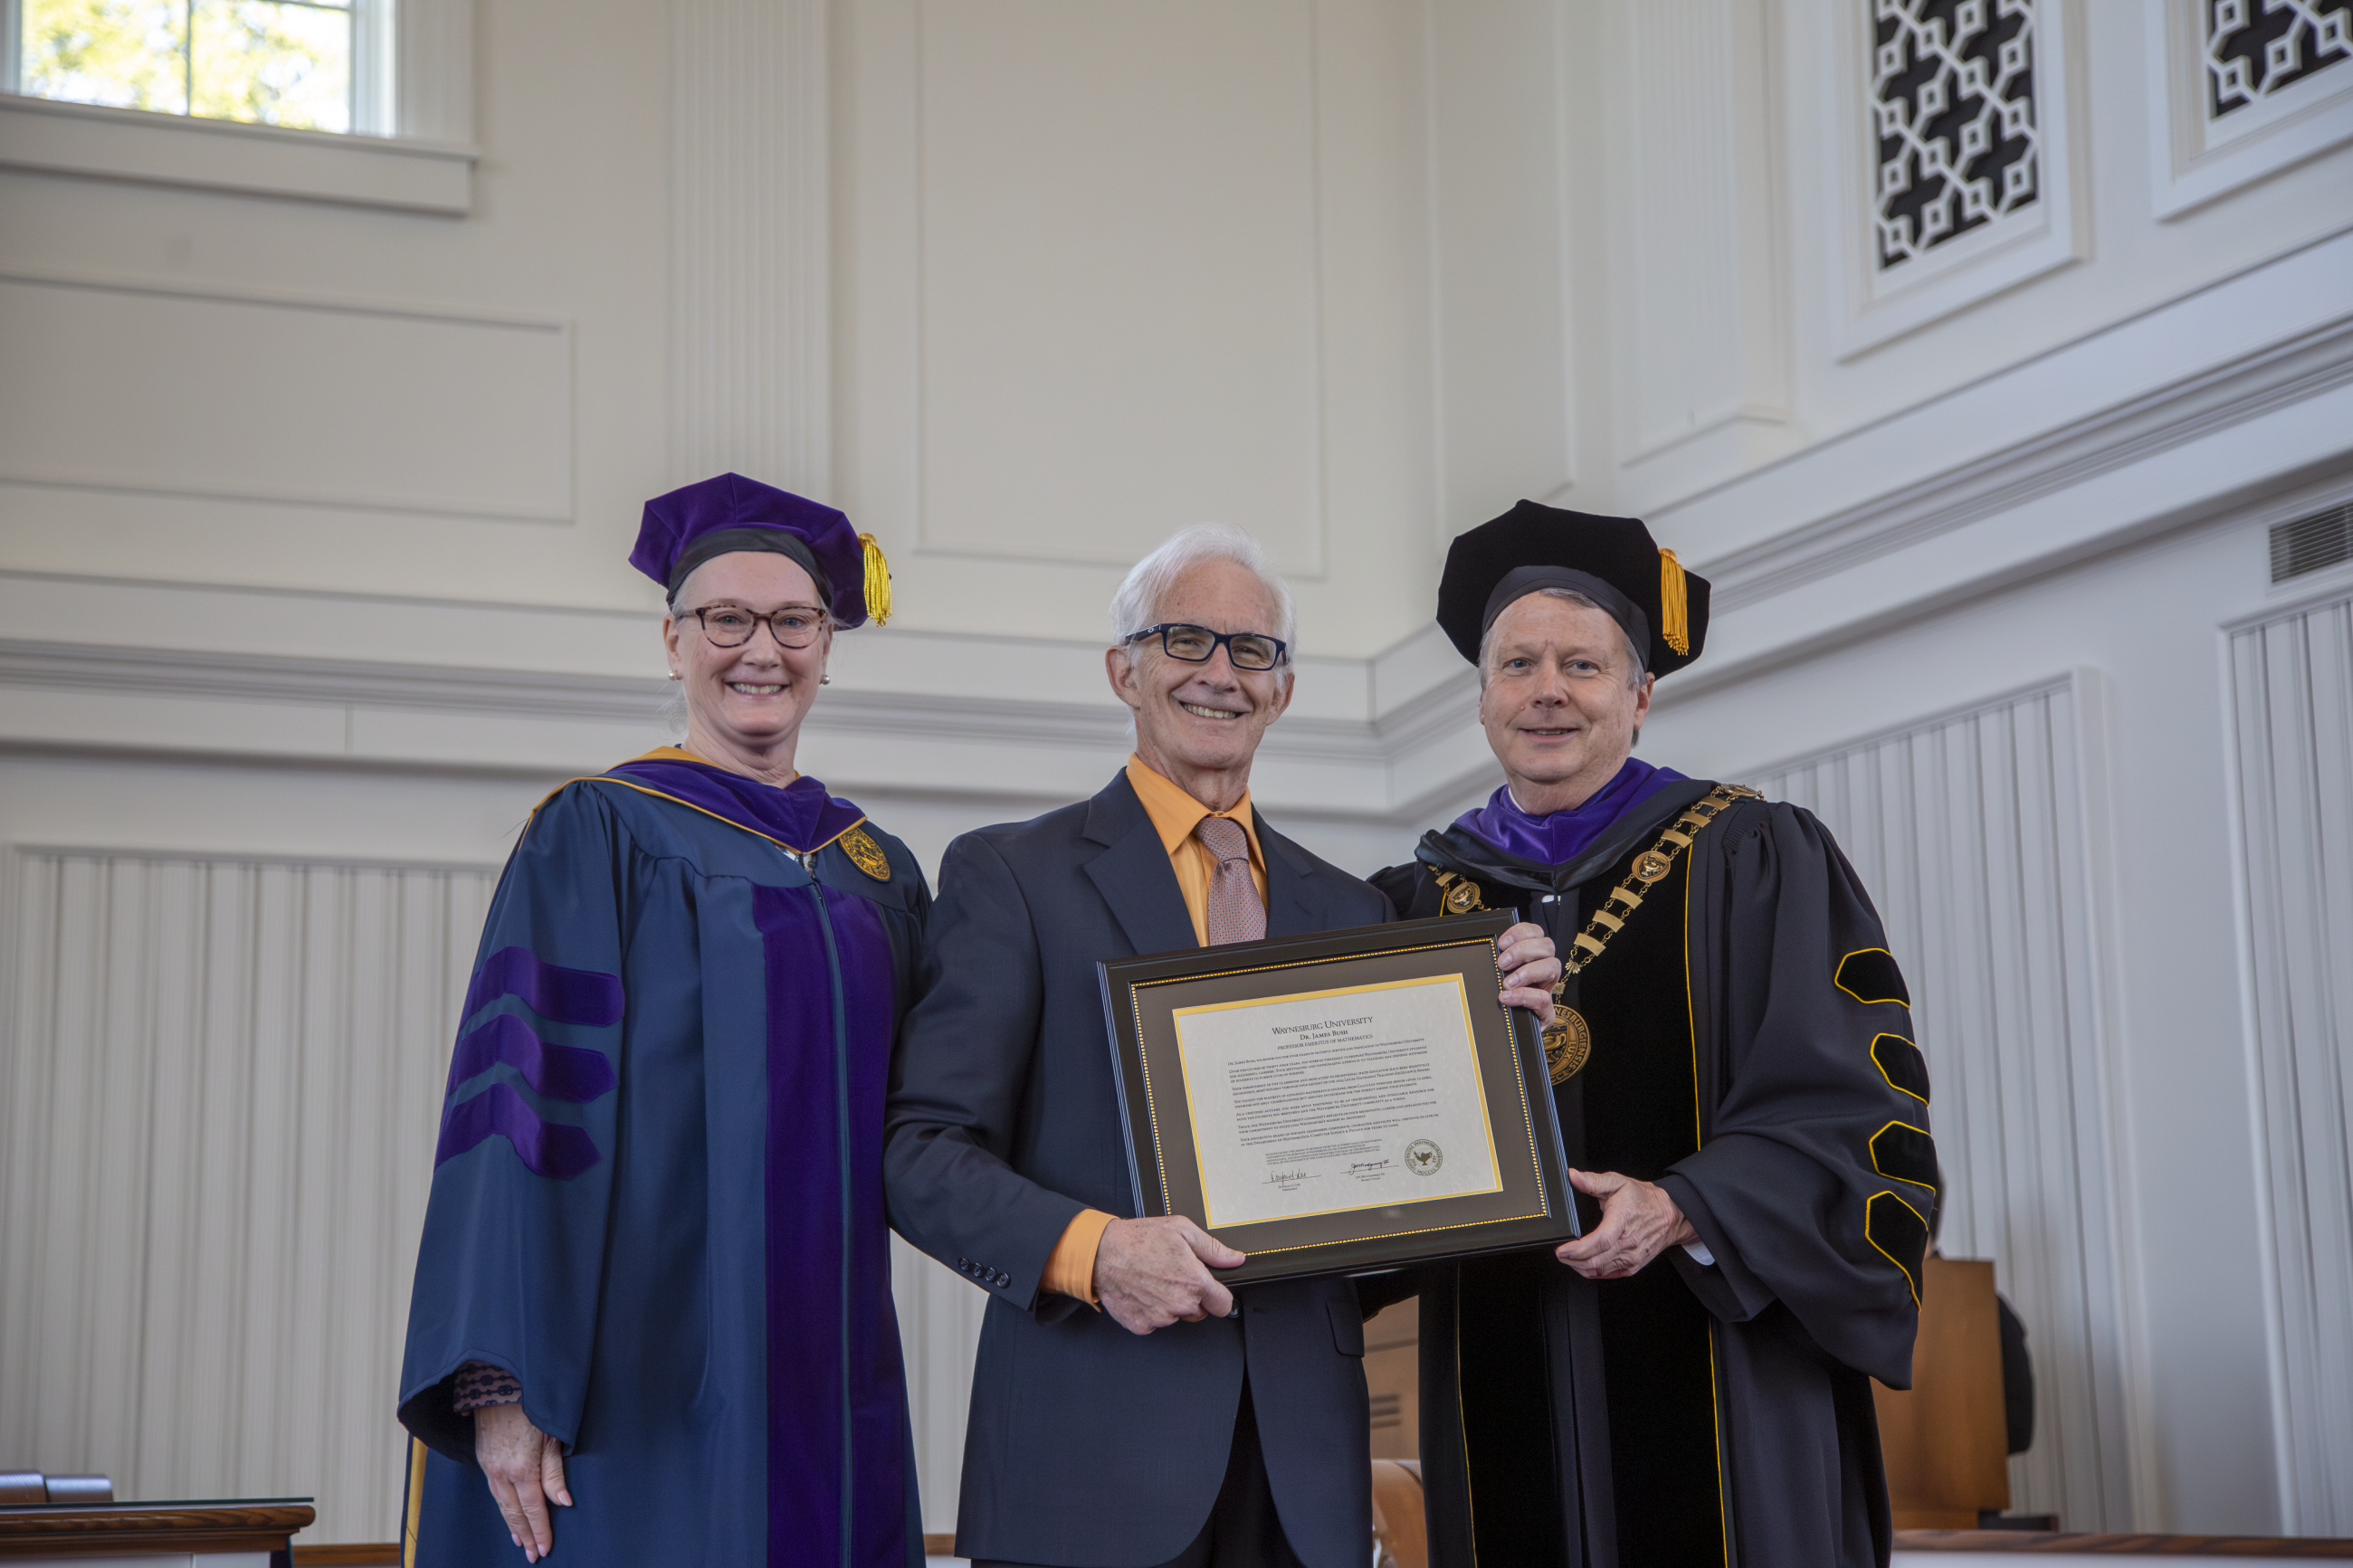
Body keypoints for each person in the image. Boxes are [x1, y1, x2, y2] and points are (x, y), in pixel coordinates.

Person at [882, 526, 1561, 1568]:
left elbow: (1399, 1179)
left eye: (1251, 650)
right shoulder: (1009, 874)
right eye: (1183, 639)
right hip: (1087, 1453)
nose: (1218, 673)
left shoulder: (1351, 907)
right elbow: (922, 1151)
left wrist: (1495, 1027)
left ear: (1282, 689)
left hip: (1304, 1468)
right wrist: (1095, 1253)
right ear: (1124, 669)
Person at [1368, 501, 1938, 1568]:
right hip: (1490, 1371)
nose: (1546, 689)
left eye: (1581, 664)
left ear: (1637, 695)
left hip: (1725, 1370)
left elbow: (1859, 1114)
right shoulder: (1410, 902)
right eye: (1517, 662)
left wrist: (1686, 1206)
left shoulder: (1754, 857)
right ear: (1482, 696)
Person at [397, 474, 931, 1567]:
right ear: (672, 639)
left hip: (830, 1371)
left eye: (792, 620)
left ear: (827, 645)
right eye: (725, 619)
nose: (760, 649)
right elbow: (520, 1111)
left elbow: (942, 1125)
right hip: (634, 1372)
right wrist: (500, 1379)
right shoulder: (599, 831)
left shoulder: (878, 871)